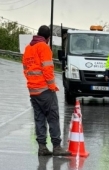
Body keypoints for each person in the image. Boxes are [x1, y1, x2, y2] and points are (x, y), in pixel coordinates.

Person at [23, 25, 69, 156]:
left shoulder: (28, 48)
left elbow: (25, 69)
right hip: (45, 90)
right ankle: (56, 147)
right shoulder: (43, 47)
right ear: (47, 38)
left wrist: (32, 82)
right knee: (53, 117)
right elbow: (47, 69)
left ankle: (42, 147)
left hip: (33, 90)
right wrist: (52, 86)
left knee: (39, 118)